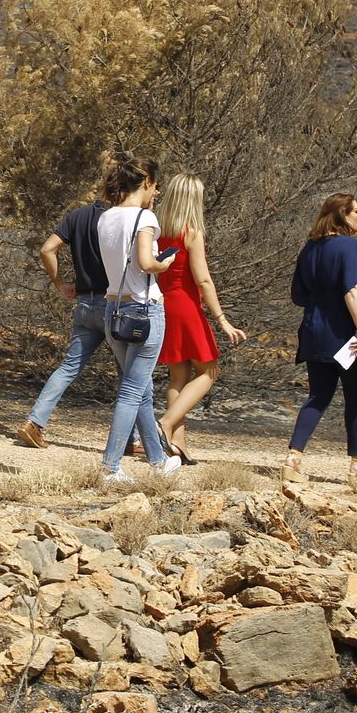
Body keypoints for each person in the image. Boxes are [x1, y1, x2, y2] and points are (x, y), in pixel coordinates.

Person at [96, 151, 180, 483]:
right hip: (144, 310)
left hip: (113, 309)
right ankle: (110, 466)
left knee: (140, 387)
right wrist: (164, 263)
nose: (156, 193)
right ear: (145, 183)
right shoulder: (145, 220)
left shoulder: (105, 217)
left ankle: (159, 462)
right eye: (155, 186)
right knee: (133, 390)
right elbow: (146, 263)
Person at [154, 174, 246, 464]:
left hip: (164, 302)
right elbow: (203, 280)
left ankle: (176, 444)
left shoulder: (158, 230)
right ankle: (166, 423)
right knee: (209, 372)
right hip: (185, 305)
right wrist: (223, 320)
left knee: (178, 375)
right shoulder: (191, 232)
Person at [282, 192, 357, 486]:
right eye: (356, 211)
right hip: (346, 336)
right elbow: (351, 289)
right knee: (355, 398)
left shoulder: (309, 248)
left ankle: (293, 458)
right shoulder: (348, 246)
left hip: (314, 332)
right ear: (341, 215)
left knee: (318, 396)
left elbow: (298, 295)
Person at [15, 187, 110, 449]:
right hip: (114, 304)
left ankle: (34, 423)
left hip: (84, 303)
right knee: (132, 374)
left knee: (69, 367)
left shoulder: (77, 216)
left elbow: (47, 249)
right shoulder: (120, 217)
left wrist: (59, 284)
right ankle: (131, 439)